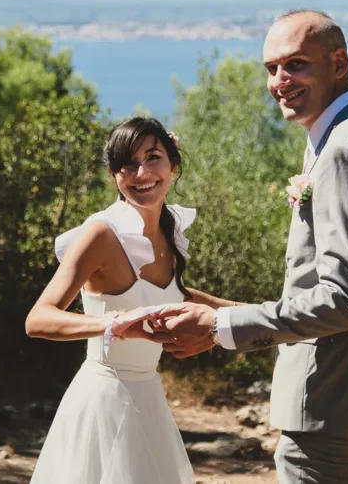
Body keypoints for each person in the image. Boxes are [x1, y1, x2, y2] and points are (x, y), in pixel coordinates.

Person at [152, 10, 348, 484]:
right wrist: (213, 307)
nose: (280, 81)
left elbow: (345, 300)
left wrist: (220, 326)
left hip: (329, 400)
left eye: (296, 64)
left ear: (338, 63)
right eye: (271, 69)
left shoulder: (347, 147)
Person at [25, 116, 236, 484]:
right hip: (102, 403)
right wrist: (114, 324)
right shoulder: (101, 235)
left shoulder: (170, 231)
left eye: (152, 158)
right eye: (127, 164)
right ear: (114, 177)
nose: (141, 173)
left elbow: (177, 295)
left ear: (173, 166)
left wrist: (261, 314)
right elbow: (39, 319)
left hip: (149, 401)